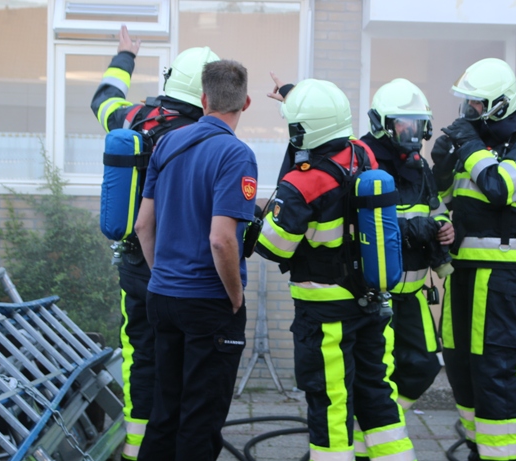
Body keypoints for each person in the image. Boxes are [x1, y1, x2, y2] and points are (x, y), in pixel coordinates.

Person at [256, 78, 417, 461]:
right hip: (369, 301)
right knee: (377, 394)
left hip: (324, 312)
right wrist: (295, 96)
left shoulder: (303, 182)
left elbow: (273, 247)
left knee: (330, 403)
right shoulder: (363, 154)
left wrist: (255, 217)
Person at [90, 25, 219, 461]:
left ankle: (138, 450)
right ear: (207, 94)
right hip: (185, 273)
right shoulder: (204, 137)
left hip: (135, 269)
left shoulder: (134, 119)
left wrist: (124, 56)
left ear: (170, 80)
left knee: (142, 358)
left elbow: (102, 101)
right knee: (189, 362)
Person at [430, 58, 516, 461]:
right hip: (462, 269)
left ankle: (504, 456)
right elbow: (446, 199)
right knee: (459, 365)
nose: (470, 110)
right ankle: (478, 449)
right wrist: (443, 165)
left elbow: (498, 187)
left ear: (500, 103)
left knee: (493, 368)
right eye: (468, 102)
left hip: (502, 273)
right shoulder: (474, 143)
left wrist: (468, 146)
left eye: (477, 103)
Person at [134, 59, 256, 461]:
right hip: (209, 304)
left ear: (204, 99)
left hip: (162, 298)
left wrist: (163, 278)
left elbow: (142, 226)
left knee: (164, 413)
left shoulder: (168, 144)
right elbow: (221, 240)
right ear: (246, 103)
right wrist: (235, 297)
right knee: (199, 422)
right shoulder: (236, 155)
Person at [354, 78, 454, 457]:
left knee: (423, 366)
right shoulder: (363, 159)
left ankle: (371, 427)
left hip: (412, 295)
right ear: (382, 124)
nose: (411, 133)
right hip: (375, 296)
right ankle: (369, 444)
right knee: (379, 375)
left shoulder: (419, 166)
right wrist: (415, 228)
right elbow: (364, 224)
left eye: (416, 125)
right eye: (403, 125)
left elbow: (434, 210)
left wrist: (443, 228)